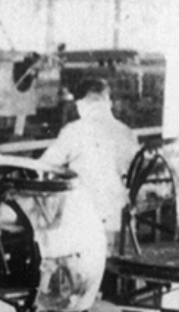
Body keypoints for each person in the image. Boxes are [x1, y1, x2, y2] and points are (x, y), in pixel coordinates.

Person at [41, 77, 138, 253]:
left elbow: (45, 166)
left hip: (84, 225)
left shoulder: (74, 131)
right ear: (108, 103)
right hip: (119, 224)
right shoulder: (127, 133)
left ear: (80, 105)